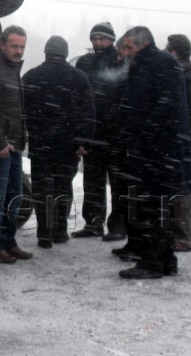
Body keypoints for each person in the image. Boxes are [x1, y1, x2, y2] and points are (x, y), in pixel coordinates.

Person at [116, 26, 191, 279]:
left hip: (159, 151)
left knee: (154, 206)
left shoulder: (162, 64)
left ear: (143, 44)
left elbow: (166, 107)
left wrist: (142, 131)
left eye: (129, 47)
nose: (126, 52)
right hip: (154, 149)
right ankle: (166, 260)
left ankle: (152, 263)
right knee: (158, 206)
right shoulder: (147, 65)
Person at [23, 36, 95, 249]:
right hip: (68, 144)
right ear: (66, 54)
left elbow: (22, 111)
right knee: (63, 186)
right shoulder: (79, 77)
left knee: (42, 189)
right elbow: (88, 112)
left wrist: (30, 131)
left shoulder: (31, 76)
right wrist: (83, 140)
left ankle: (44, 234)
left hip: (41, 143)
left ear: (46, 53)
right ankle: (60, 231)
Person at [0, 25, 33, 264]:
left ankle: (9, 242)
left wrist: (17, 140)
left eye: (22, 47)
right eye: (14, 46)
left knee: (15, 196)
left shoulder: (11, 68)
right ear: (2, 45)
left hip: (14, 145)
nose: (18, 51)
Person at [72, 22, 129, 241]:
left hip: (116, 133)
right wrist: (81, 133)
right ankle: (93, 223)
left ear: (111, 40)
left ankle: (118, 226)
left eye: (102, 39)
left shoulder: (121, 60)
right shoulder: (85, 62)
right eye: (94, 38)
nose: (97, 42)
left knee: (118, 183)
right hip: (92, 132)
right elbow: (78, 98)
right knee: (92, 181)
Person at [165, 34, 191, 252]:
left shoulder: (186, 78)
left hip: (184, 143)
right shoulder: (186, 75)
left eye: (167, 48)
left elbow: (190, 115)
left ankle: (183, 237)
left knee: (180, 191)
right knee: (178, 188)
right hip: (184, 141)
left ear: (174, 52)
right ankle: (177, 234)